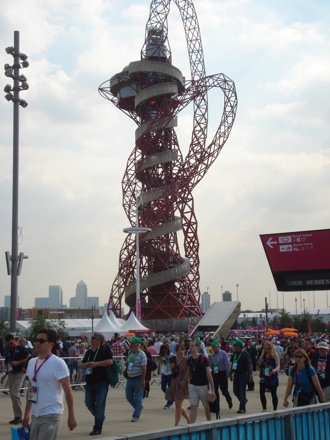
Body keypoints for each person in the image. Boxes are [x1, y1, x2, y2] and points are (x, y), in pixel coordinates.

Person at [22, 328, 77, 439]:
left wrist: (71, 415)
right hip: (36, 414)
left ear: (51, 343)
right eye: (36, 340)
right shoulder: (32, 362)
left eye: (41, 341)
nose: (37, 343)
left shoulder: (58, 363)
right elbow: (31, 388)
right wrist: (26, 413)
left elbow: (68, 390)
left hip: (51, 414)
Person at [80, 332, 113, 435]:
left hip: (102, 382)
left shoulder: (105, 349)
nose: (91, 340)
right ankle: (100, 417)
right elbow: (81, 364)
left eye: (93, 338)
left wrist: (96, 364)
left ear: (99, 340)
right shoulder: (89, 352)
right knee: (88, 402)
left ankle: (97, 428)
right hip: (90, 382)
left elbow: (110, 361)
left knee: (99, 405)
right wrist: (86, 365)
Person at [185, 339, 215, 423]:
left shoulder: (203, 359)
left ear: (197, 347)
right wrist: (184, 382)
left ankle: (209, 423)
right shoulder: (189, 359)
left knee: (206, 406)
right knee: (193, 406)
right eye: (189, 345)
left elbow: (208, 374)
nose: (190, 347)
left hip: (203, 386)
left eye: (192, 345)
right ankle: (191, 427)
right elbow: (188, 373)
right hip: (193, 385)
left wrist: (213, 389)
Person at [5, 334, 31, 424]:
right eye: (8, 344)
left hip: (19, 373)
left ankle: (19, 416)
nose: (10, 345)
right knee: (12, 395)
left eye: (11, 343)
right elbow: (7, 361)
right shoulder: (9, 350)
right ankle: (17, 416)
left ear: (14, 340)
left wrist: (18, 362)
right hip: (11, 373)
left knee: (15, 393)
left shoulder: (21, 348)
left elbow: (29, 356)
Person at [125, 336, 147, 422]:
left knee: (138, 398)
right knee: (129, 396)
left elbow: (144, 367)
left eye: (132, 343)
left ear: (137, 345)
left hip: (138, 378)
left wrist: (143, 379)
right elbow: (129, 361)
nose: (130, 344)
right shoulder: (130, 352)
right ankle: (139, 407)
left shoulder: (142, 354)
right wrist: (127, 363)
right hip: (130, 378)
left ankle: (136, 415)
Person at [229, 339, 253, 414]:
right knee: (235, 390)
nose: (234, 347)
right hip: (236, 374)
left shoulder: (245, 354)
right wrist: (230, 374)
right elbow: (233, 364)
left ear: (239, 346)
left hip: (243, 374)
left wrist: (250, 375)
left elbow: (249, 365)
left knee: (242, 390)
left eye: (235, 346)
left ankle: (242, 408)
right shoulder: (235, 354)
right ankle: (243, 400)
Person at [168, 343, 189, 425]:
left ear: (184, 350)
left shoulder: (187, 360)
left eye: (182, 350)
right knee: (177, 404)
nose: (180, 352)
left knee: (178, 403)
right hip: (175, 382)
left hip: (183, 383)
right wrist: (172, 365)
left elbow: (189, 372)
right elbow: (171, 371)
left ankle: (176, 425)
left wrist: (186, 381)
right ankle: (188, 418)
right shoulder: (174, 359)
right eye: (178, 350)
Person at [209, 339, 233, 410]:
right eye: (212, 347)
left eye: (215, 347)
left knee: (224, 390)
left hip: (222, 373)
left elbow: (227, 364)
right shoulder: (212, 355)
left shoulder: (223, 353)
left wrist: (228, 373)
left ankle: (229, 400)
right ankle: (217, 406)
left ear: (218, 347)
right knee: (215, 390)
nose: (213, 349)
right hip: (215, 374)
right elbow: (211, 365)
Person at [257, 341, 280, 411]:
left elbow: (278, 365)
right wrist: (259, 363)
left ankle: (275, 409)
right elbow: (259, 365)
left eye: (268, 348)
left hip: (272, 376)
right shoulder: (263, 355)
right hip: (264, 375)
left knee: (273, 393)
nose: (267, 350)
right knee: (261, 392)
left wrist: (275, 370)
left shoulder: (274, 355)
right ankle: (264, 408)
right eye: (266, 348)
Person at [159, 344, 173, 409]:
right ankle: (170, 397)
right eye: (163, 349)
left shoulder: (171, 355)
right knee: (163, 387)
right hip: (164, 373)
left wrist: (168, 358)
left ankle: (169, 402)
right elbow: (160, 362)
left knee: (170, 388)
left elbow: (173, 363)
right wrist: (162, 359)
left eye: (166, 349)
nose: (164, 351)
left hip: (170, 373)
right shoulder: (161, 356)